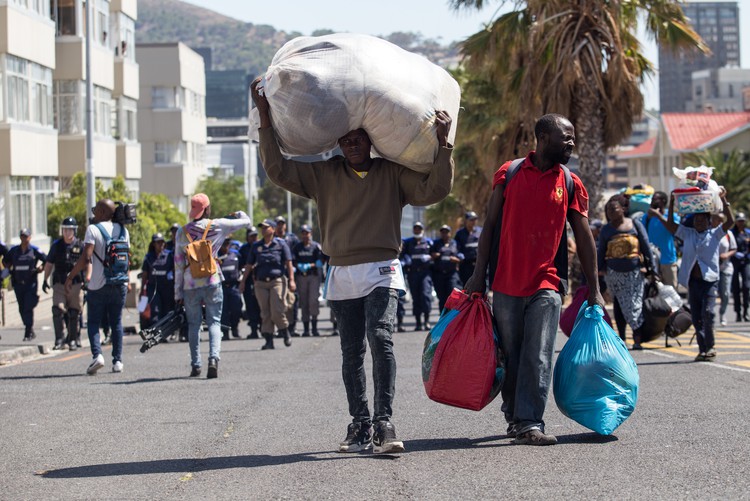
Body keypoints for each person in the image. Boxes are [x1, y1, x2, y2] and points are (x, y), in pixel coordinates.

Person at [252, 78, 453, 454]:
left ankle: (384, 422)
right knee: (350, 351)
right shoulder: (323, 174)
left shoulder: (392, 172)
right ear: (339, 145)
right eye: (346, 140)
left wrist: (443, 145)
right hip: (342, 273)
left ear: (371, 140)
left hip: (383, 268)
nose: (353, 144)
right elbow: (278, 170)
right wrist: (264, 115)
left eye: (359, 138)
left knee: (381, 337)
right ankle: (359, 423)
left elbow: (435, 190)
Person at [464, 113, 602, 446]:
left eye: (572, 137)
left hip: (547, 283)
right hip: (506, 282)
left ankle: (530, 422)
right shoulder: (509, 173)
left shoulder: (570, 182)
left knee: (538, 353)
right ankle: (514, 414)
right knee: (510, 354)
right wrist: (478, 275)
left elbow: (584, 239)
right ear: (542, 137)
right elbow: (490, 226)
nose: (571, 143)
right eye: (564, 137)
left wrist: (594, 290)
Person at [174, 193, 251, 379]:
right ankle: (213, 359)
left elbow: (177, 264)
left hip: (190, 283)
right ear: (207, 209)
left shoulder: (181, 232)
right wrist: (237, 213)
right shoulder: (218, 225)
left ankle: (196, 364)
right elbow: (247, 221)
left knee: (193, 324)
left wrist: (177, 293)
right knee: (214, 322)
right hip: (212, 280)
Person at [651, 189, 733, 361]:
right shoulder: (687, 234)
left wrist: (724, 200)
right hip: (693, 282)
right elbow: (671, 226)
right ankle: (703, 350)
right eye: (696, 220)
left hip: (709, 281)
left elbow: (730, 221)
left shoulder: (715, 234)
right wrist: (672, 203)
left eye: (702, 220)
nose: (699, 222)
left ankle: (710, 347)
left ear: (709, 221)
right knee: (696, 316)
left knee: (708, 313)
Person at [65, 200, 129, 375]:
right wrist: (127, 281)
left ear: (101, 212)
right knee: (116, 322)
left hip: (97, 284)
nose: (93, 213)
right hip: (119, 283)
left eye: (95, 210)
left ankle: (98, 356)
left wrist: (70, 276)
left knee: (93, 322)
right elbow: (126, 260)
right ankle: (117, 361)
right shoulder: (123, 230)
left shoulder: (93, 229)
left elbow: (86, 258)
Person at [598, 194, 655, 349]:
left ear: (623, 209)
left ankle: (637, 337)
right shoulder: (606, 230)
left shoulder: (635, 225)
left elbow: (646, 248)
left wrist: (653, 269)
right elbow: (601, 252)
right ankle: (621, 338)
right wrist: (598, 271)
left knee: (634, 304)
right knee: (619, 305)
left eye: (614, 209)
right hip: (613, 274)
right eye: (608, 210)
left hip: (634, 273)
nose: (610, 212)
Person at [241, 219, 296, 349]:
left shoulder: (281, 244)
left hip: (277, 281)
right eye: (262, 227)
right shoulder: (256, 246)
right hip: (260, 282)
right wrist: (243, 282)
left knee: (276, 310)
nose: (263, 230)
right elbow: (249, 265)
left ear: (273, 229)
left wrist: (292, 280)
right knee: (265, 312)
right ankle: (269, 340)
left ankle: (285, 331)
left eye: (266, 227)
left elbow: (289, 263)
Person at [43, 217, 85, 350]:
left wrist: (88, 279)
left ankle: (72, 339)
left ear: (74, 231)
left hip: (76, 284)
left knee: (74, 312)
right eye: (65, 230)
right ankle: (59, 339)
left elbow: (87, 263)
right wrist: (45, 279)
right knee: (57, 310)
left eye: (70, 230)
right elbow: (49, 264)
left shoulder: (80, 245)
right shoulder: (56, 246)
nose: (67, 233)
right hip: (60, 284)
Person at [3, 229, 46, 341]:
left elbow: (47, 259)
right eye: (22, 236)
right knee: (22, 308)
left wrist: (41, 268)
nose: (24, 239)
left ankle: (28, 331)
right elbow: (5, 260)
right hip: (18, 283)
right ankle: (29, 328)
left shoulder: (35, 250)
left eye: (26, 236)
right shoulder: (14, 250)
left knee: (28, 307)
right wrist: (8, 267)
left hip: (30, 283)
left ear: (30, 237)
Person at [292, 224, 324, 336]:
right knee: (304, 302)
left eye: (307, 233)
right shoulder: (297, 247)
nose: (305, 235)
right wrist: (298, 265)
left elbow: (320, 261)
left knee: (313, 301)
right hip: (301, 277)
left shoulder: (316, 246)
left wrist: (309, 265)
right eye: (303, 233)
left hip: (313, 276)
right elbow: (293, 260)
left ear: (311, 233)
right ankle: (306, 329)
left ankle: (314, 328)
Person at [402, 222, 434, 331]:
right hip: (413, 273)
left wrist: (430, 257)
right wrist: (406, 260)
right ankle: (418, 322)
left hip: (425, 273)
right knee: (416, 298)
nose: (417, 230)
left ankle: (427, 321)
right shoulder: (408, 242)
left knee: (425, 296)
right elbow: (403, 255)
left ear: (422, 230)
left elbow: (435, 254)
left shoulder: (429, 242)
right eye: (415, 228)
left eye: (419, 228)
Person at [644, 191, 679, 288]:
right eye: (652, 199)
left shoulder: (671, 216)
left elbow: (674, 230)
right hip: (652, 262)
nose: (652, 202)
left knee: (671, 293)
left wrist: (659, 216)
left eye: (655, 199)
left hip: (668, 260)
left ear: (663, 201)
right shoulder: (646, 218)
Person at [141, 233, 175, 328]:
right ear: (153, 244)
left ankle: (166, 331)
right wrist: (142, 290)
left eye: (162, 242)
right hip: (153, 288)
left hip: (167, 287)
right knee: (155, 309)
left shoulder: (169, 255)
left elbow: (175, 270)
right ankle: (156, 330)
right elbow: (145, 274)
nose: (161, 244)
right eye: (158, 242)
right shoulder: (148, 257)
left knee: (167, 309)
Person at [275, 215, 301, 336]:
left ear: (285, 225)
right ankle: (281, 328)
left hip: (291, 273)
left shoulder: (292, 238)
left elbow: (299, 253)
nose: (280, 226)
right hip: (278, 274)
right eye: (278, 224)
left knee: (293, 300)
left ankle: (293, 327)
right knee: (279, 301)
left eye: (282, 223)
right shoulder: (272, 238)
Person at [430, 224, 463, 312]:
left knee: (453, 294)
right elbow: (430, 255)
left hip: (451, 274)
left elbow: (460, 255)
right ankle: (443, 317)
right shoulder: (436, 243)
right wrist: (434, 255)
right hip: (439, 274)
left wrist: (457, 259)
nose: (444, 234)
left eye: (446, 232)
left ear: (450, 233)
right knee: (442, 298)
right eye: (443, 232)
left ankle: (452, 317)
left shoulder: (455, 243)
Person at [713, 213, 736, 326]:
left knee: (725, 293)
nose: (720, 223)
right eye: (718, 220)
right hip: (712, 269)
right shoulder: (709, 233)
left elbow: (734, 248)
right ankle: (710, 316)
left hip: (725, 268)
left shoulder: (728, 234)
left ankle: (723, 314)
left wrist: (726, 255)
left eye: (722, 220)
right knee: (711, 293)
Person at [218, 239, 243, 340]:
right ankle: (225, 332)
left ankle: (235, 328)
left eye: (227, 243)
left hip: (234, 287)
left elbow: (243, 266)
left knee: (236, 309)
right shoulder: (215, 255)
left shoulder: (235, 255)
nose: (226, 246)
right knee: (223, 312)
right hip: (222, 287)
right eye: (224, 243)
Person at [239, 227, 262, 339]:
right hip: (248, 281)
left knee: (261, 305)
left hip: (260, 279)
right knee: (250, 306)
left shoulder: (261, 247)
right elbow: (239, 263)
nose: (254, 238)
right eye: (251, 236)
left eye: (255, 236)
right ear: (247, 237)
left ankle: (263, 329)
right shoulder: (243, 249)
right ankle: (253, 330)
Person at [730, 212, 750, 322]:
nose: (741, 223)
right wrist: (735, 253)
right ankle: (738, 312)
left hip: (746, 261)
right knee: (736, 287)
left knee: (747, 286)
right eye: (739, 221)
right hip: (735, 262)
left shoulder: (748, 233)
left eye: (743, 221)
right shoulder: (732, 233)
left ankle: (746, 311)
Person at [454, 211, 481, 286]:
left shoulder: (480, 231)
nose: (473, 222)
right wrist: (459, 255)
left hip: (479, 265)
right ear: (466, 221)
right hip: (466, 266)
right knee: (467, 288)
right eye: (471, 219)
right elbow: (456, 248)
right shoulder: (460, 233)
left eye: (475, 219)